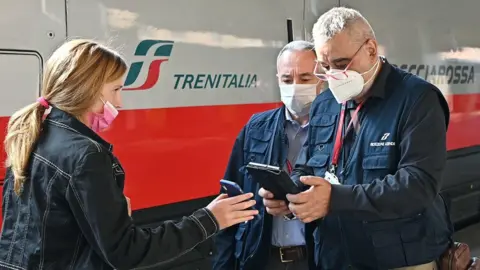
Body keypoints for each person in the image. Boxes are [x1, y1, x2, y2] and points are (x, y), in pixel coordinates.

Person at [0, 39, 258, 269]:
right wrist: (209, 220)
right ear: (89, 88)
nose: (120, 102)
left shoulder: (33, 135)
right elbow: (126, 252)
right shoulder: (85, 156)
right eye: (115, 89)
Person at [259, 7, 453, 270]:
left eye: (340, 64)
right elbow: (309, 165)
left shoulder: (417, 99)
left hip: (398, 258)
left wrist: (335, 199)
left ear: (371, 49)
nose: (332, 76)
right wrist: (291, 193)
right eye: (325, 67)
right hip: (335, 255)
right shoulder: (325, 103)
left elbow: (418, 184)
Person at [212, 40, 324, 270]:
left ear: (322, 79)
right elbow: (230, 198)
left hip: (317, 259)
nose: (294, 87)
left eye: (304, 79)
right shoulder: (256, 127)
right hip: (262, 258)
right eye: (287, 80)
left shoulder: (338, 129)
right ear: (277, 80)